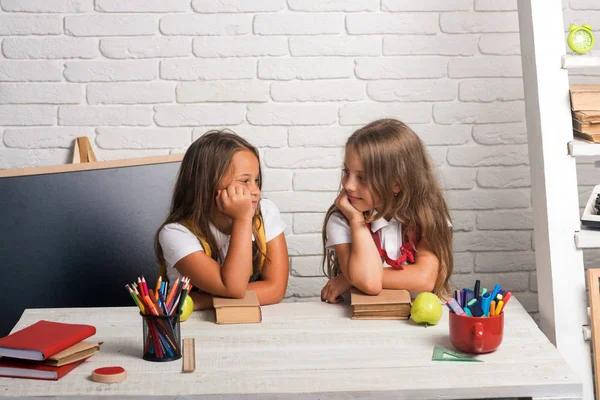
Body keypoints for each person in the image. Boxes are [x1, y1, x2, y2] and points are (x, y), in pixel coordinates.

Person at [320, 119, 453, 304]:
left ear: (396, 184)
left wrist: (348, 279)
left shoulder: (427, 215)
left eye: (362, 178)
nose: (348, 185)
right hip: (359, 322)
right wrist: (357, 222)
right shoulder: (343, 219)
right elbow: (369, 283)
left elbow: (424, 279)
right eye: (346, 171)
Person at [155, 130, 289, 310]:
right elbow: (233, 287)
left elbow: (275, 290)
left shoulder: (265, 212)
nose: (256, 190)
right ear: (207, 183)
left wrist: (201, 301)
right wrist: (242, 219)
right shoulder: (176, 233)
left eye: (256, 180)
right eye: (244, 181)